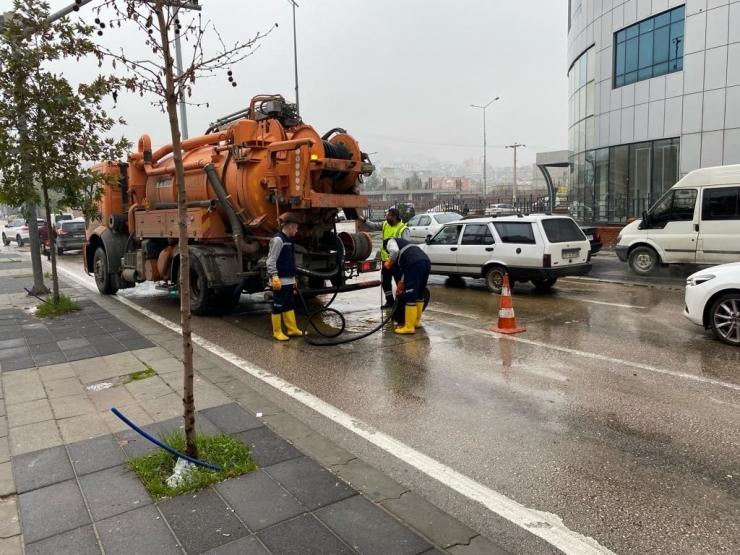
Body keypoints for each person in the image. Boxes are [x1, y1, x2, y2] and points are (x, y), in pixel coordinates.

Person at [358, 208, 409, 308]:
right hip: (386, 261)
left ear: (394, 217)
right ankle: (389, 301)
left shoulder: (403, 228)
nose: (387, 217)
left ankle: (401, 302)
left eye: (389, 215)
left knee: (400, 282)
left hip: (397, 262)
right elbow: (373, 226)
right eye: (387, 215)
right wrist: (364, 220)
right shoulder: (385, 224)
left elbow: (406, 246)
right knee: (385, 282)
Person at [266, 214, 306, 341]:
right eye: (296, 229)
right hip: (279, 280)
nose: (297, 231)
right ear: (290, 227)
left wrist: (293, 280)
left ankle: (292, 329)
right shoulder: (278, 240)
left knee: (289, 304)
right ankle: (277, 332)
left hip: (288, 279)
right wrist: (274, 277)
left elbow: (289, 262)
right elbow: (270, 260)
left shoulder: (288, 240)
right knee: (278, 305)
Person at [384, 236, 431, 334]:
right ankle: (416, 322)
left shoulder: (390, 241)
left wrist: (389, 262)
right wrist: (401, 285)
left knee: (410, 295)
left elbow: (394, 251)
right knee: (419, 294)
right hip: (426, 262)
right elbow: (406, 272)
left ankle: (409, 327)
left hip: (414, 264)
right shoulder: (407, 247)